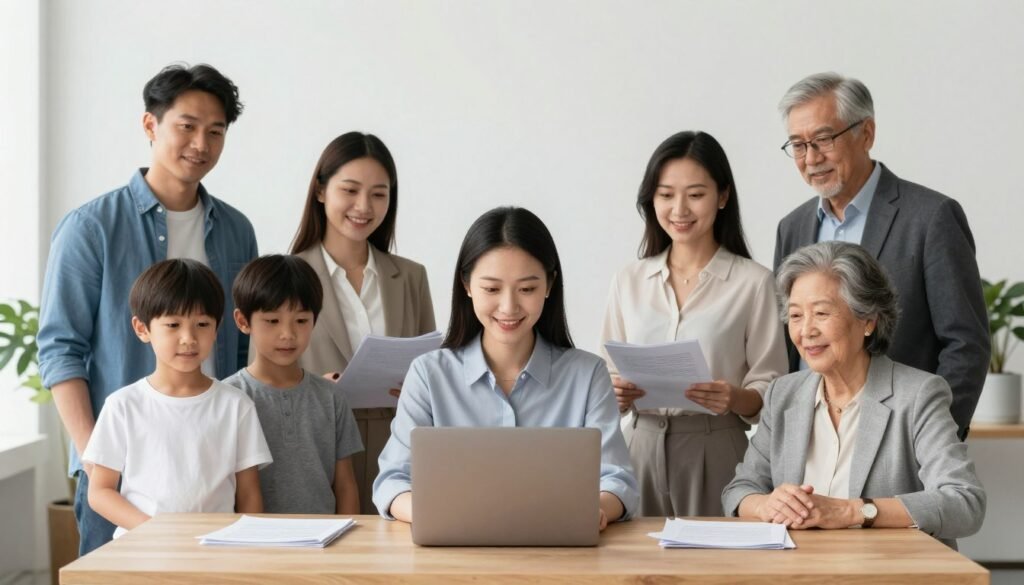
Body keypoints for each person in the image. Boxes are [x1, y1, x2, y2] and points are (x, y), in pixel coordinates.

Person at [37, 63, 258, 554]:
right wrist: (97, 464)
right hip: (121, 481)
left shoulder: (238, 230)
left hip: (212, 476)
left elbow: (244, 347)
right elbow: (60, 350)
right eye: (187, 126)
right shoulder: (90, 227)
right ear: (150, 125)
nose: (201, 143)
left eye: (216, 131)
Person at [373, 207, 638, 528]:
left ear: (549, 285)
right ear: (467, 285)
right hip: (452, 552)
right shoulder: (428, 374)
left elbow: (617, 479)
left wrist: (592, 511)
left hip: (561, 552)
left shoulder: (588, 374)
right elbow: (393, 479)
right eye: (492, 289)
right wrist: (438, 515)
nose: (509, 307)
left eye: (527, 289)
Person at [722, 241, 986, 548]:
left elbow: (964, 502)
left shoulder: (918, 395)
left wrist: (852, 511)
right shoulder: (783, 393)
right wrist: (765, 505)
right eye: (795, 316)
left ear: (868, 321)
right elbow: (739, 490)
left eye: (821, 313)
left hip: (889, 573)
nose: (806, 330)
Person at [773, 72, 988, 440]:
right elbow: (791, 348)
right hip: (818, 441)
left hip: (905, 440)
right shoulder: (792, 227)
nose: (811, 158)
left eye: (823, 139)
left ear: (866, 134)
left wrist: (931, 438)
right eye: (798, 144)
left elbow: (966, 345)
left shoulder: (932, 217)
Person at [599, 131, 787, 516]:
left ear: (722, 196)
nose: (679, 209)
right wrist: (613, 394)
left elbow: (774, 386)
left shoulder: (753, 282)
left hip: (717, 447)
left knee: (717, 571)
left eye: (695, 194)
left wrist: (734, 397)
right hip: (639, 447)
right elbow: (605, 372)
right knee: (635, 570)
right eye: (666, 195)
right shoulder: (629, 280)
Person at [290, 132, 435, 514]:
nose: (363, 206)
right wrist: (310, 390)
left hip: (398, 452)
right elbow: (261, 378)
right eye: (350, 190)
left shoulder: (411, 277)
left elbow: (433, 370)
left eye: (378, 194)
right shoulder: (288, 276)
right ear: (321, 191)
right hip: (316, 450)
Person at [82, 259, 272, 538]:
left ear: (216, 328)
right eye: (172, 324)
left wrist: (246, 545)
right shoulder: (123, 405)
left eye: (202, 324)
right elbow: (100, 491)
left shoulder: (236, 405)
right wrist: (155, 531)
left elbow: (249, 492)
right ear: (142, 329)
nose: (188, 338)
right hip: (142, 550)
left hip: (214, 551)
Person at [223, 255, 364, 514]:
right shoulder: (227, 397)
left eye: (300, 320)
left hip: (324, 544)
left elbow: (345, 485)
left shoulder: (331, 397)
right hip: (253, 545)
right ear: (243, 321)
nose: (287, 334)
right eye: (272, 321)